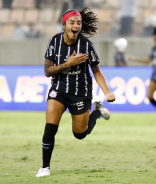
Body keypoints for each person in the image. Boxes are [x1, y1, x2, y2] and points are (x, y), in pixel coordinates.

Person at [36, 7, 116, 177]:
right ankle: (44, 168)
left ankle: (97, 112)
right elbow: (48, 71)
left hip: (81, 92)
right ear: (64, 25)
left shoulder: (86, 45)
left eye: (78, 23)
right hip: (59, 89)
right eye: (72, 22)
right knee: (50, 127)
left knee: (79, 134)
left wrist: (107, 92)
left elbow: (96, 71)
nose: (76, 26)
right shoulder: (55, 42)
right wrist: (67, 64)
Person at [128, 27, 156, 125]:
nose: (154, 40)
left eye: (155, 38)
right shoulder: (154, 49)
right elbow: (148, 60)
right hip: (154, 75)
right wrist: (134, 59)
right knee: (149, 96)